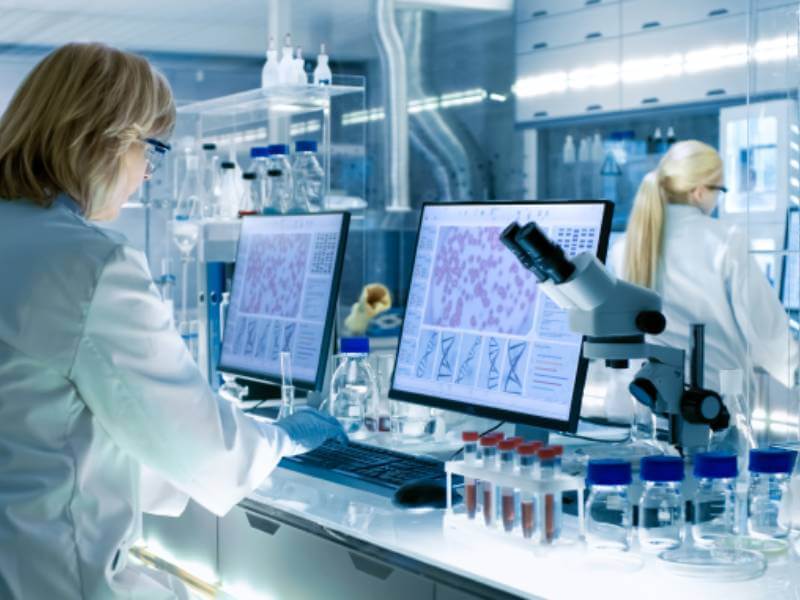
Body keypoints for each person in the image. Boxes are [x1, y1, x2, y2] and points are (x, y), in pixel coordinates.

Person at [0, 43, 345, 599]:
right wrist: (281, 437)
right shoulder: (87, 264)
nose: (147, 173)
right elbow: (203, 448)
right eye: (151, 151)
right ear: (107, 139)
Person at [607, 140, 797, 409]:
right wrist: (793, 368)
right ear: (699, 192)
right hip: (712, 405)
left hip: (642, 404)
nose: (719, 198)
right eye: (720, 189)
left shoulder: (625, 246)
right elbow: (764, 326)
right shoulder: (724, 240)